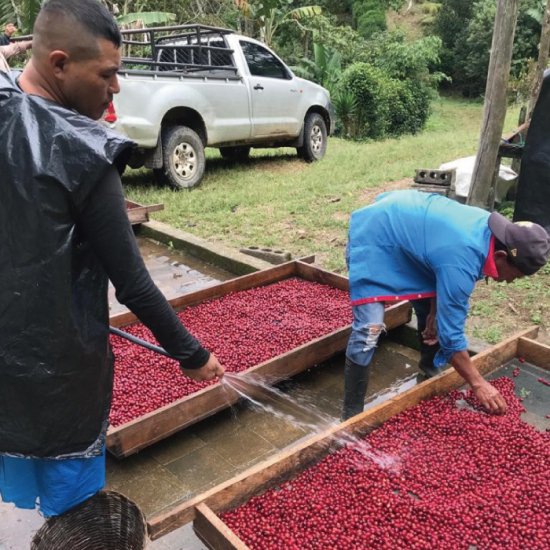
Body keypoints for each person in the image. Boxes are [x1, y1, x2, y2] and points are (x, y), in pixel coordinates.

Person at [0, 0, 224, 518]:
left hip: (8, 364)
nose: (116, 87)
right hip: (61, 380)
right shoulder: (86, 152)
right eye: (108, 73)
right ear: (60, 64)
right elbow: (135, 285)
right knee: (74, 519)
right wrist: (193, 355)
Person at [342, 189, 550, 420]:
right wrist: (478, 383)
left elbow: (438, 262)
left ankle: (430, 371)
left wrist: (435, 311)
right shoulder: (464, 259)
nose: (511, 281)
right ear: (500, 256)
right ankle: (350, 415)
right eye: (516, 275)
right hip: (377, 232)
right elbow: (451, 338)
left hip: (412, 229)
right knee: (368, 330)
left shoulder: (488, 236)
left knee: (429, 311)